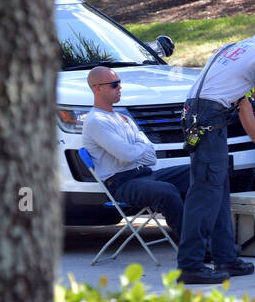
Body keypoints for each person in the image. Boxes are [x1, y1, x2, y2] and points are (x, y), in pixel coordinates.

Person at [176, 41, 255, 284]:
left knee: (218, 191)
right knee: (205, 193)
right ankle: (190, 265)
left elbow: (244, 106)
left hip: (202, 113)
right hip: (208, 115)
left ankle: (226, 258)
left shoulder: (238, 51)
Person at [81, 66, 190, 244]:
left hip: (146, 174)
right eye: (114, 85)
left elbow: (150, 156)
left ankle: (212, 236)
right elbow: (126, 155)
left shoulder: (124, 118)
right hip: (121, 183)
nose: (120, 88)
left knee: (201, 173)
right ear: (97, 88)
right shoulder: (95, 121)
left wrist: (137, 148)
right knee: (167, 191)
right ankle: (193, 247)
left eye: (120, 83)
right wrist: (139, 146)